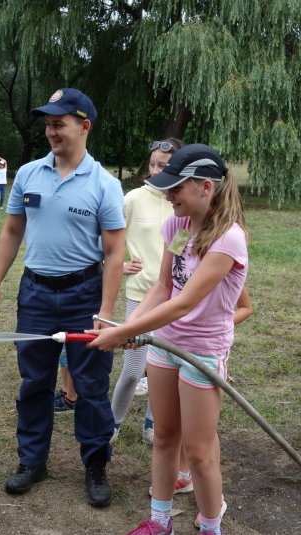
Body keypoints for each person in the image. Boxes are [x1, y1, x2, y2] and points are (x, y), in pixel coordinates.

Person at [89, 143, 248, 535]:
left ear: (206, 187)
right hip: (165, 346)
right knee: (164, 437)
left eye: (176, 187)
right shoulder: (177, 226)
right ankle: (160, 522)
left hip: (202, 353)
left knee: (198, 453)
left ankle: (211, 526)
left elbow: (185, 302)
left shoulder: (228, 239)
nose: (168, 195)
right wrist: (126, 325)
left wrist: (126, 332)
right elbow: (163, 288)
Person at [0, 88, 125, 506]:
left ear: (84, 126)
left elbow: (115, 253)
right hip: (36, 293)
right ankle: (32, 462)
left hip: (85, 294)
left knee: (91, 386)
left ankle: (95, 465)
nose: (50, 131)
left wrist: (106, 312)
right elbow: (12, 231)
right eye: (47, 123)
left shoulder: (105, 183)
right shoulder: (27, 174)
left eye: (58, 123)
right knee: (34, 382)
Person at [111, 138, 185, 447]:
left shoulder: (181, 201)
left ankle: (152, 425)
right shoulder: (133, 198)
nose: (154, 171)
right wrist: (118, 264)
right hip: (141, 296)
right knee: (132, 371)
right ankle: (110, 425)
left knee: (164, 367)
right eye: (152, 164)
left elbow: (183, 246)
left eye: (163, 166)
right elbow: (109, 241)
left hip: (174, 298)